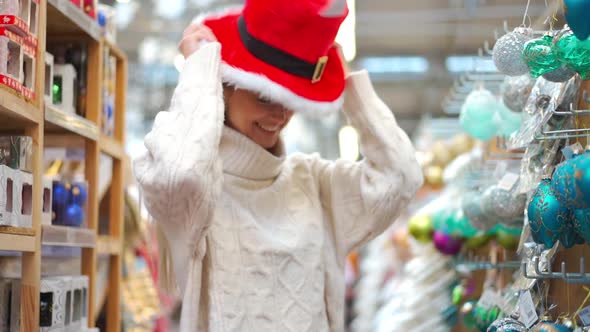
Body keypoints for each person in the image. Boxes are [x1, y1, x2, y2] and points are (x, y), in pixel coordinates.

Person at [134, 0, 423, 331]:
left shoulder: (315, 184)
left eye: (291, 98)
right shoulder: (201, 195)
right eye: (265, 97)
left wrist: (351, 88)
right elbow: (178, 175)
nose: (281, 115)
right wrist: (201, 72)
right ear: (225, 88)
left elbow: (401, 176)